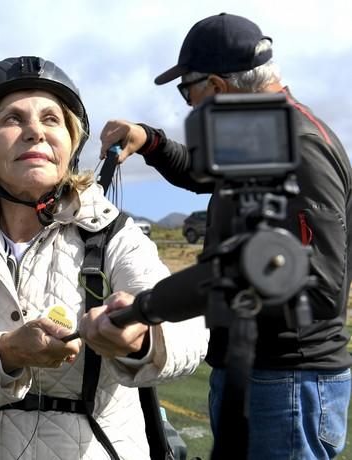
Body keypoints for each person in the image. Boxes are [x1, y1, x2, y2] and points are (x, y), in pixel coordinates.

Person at [0, 56, 208, 460]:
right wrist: (5, 354)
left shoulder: (112, 233)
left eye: (52, 119)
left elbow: (188, 332)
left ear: (71, 143)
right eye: (12, 119)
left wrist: (140, 338)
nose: (35, 131)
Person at [98, 13, 352, 459]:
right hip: (258, 377)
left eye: (187, 92)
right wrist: (151, 142)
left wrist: (145, 309)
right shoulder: (265, 131)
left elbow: (320, 288)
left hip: (286, 383)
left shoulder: (301, 146)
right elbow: (203, 173)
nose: (188, 105)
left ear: (216, 87)